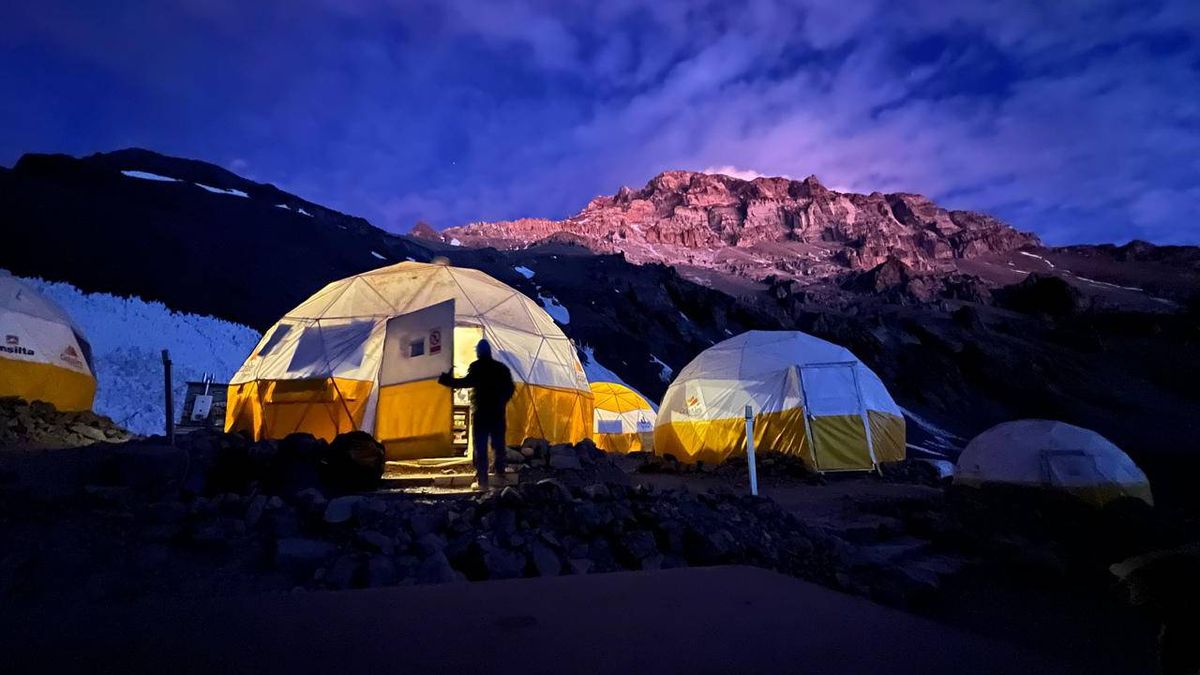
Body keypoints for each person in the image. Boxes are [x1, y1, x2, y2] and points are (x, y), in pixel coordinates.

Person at [437, 339, 515, 490]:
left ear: (479, 352)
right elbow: (511, 389)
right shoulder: (501, 368)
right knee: (498, 444)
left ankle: (483, 481)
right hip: (497, 413)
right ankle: (500, 475)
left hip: (481, 413)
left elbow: (464, 383)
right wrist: (501, 402)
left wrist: (445, 379)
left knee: (480, 446)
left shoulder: (477, 367)